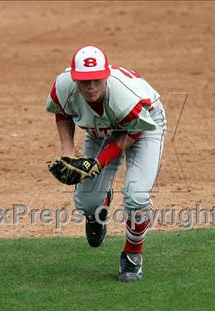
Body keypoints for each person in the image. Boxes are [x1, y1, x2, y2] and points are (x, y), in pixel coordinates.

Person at [45, 45, 166, 281]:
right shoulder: (63, 86)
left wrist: (98, 162)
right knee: (86, 202)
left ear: (106, 76)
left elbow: (134, 133)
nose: (90, 87)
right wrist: (68, 151)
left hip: (143, 125)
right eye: (84, 81)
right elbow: (62, 112)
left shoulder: (123, 96)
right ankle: (100, 205)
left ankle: (132, 255)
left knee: (136, 196)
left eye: (96, 80)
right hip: (102, 130)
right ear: (74, 78)